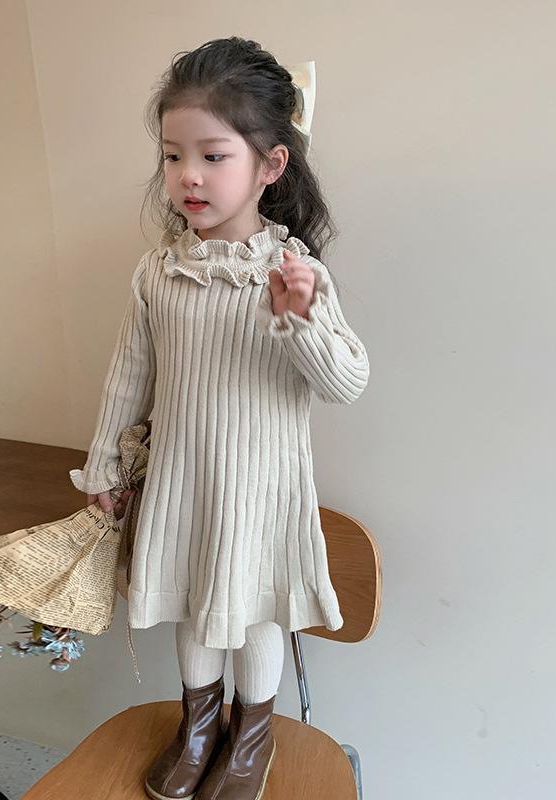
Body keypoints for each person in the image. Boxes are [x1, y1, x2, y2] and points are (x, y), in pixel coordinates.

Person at [70, 37, 369, 800]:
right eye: (173, 156)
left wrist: (299, 317)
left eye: (213, 155)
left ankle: (251, 738)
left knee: (256, 610)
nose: (189, 176)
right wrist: (104, 462)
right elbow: (130, 374)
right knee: (191, 605)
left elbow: (345, 383)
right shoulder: (159, 271)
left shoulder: (293, 272)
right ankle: (199, 727)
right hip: (181, 477)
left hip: (262, 485)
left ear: (271, 165)